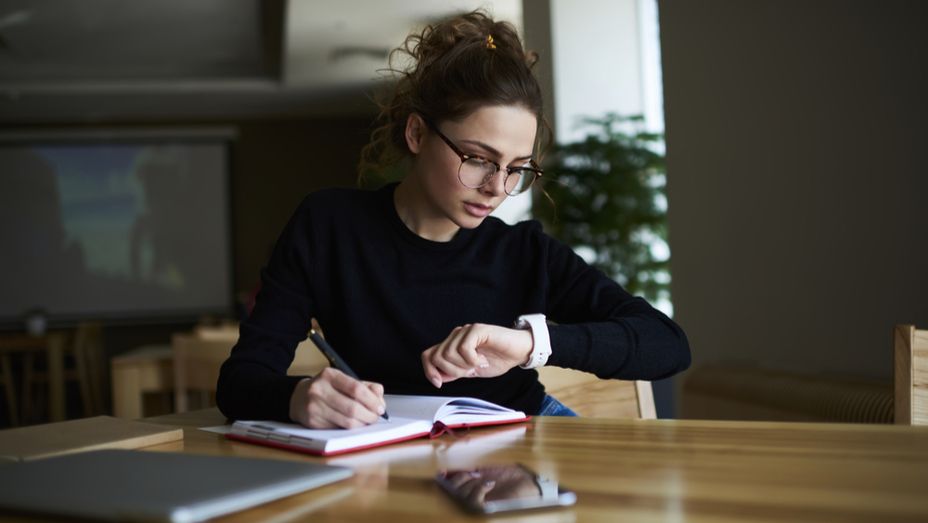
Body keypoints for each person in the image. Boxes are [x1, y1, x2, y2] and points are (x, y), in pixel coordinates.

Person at [216, 10, 690, 429]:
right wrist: (298, 397)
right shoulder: (328, 226)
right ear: (418, 133)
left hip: (525, 435)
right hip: (391, 445)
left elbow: (667, 344)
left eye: (516, 168)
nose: (497, 188)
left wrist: (529, 344)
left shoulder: (524, 251)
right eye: (479, 158)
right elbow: (241, 382)